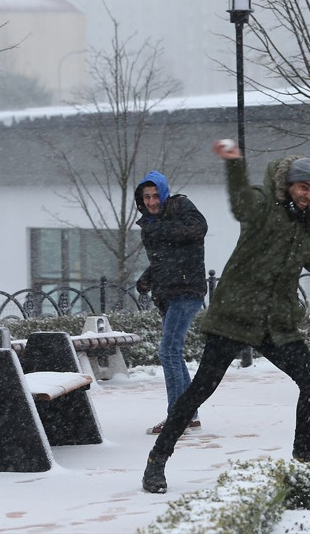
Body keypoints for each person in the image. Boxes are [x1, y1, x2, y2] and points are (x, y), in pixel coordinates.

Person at [142, 141, 310, 493]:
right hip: (237, 314)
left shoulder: (306, 222)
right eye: (303, 186)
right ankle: (157, 460)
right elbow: (241, 203)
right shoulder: (264, 204)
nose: (308, 194)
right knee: (201, 389)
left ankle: (303, 460)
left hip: (276, 323)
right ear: (287, 184)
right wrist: (234, 164)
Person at [135, 170, 208, 435]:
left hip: (187, 290)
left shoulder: (180, 205)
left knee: (168, 352)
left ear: (164, 194)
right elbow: (163, 259)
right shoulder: (149, 224)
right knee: (172, 353)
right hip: (168, 293)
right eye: (147, 197)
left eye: (155, 195)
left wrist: (160, 227)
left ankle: (176, 417)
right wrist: (146, 279)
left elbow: (199, 228)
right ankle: (189, 413)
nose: (152, 202)